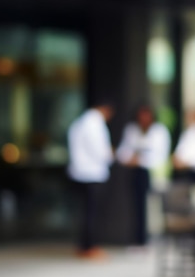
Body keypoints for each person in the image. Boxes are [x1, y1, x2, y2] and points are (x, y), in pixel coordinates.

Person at [67, 100, 115, 260]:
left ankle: (84, 245)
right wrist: (111, 155)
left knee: (86, 212)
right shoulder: (94, 124)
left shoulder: (80, 122)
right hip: (92, 174)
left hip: (80, 173)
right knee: (92, 214)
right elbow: (100, 151)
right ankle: (90, 246)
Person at [117, 102, 171, 245]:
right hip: (135, 173)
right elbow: (123, 151)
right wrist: (129, 159)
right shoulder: (132, 130)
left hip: (153, 173)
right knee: (137, 207)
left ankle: (151, 238)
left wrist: (141, 159)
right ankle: (138, 240)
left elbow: (161, 155)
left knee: (153, 208)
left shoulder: (159, 131)